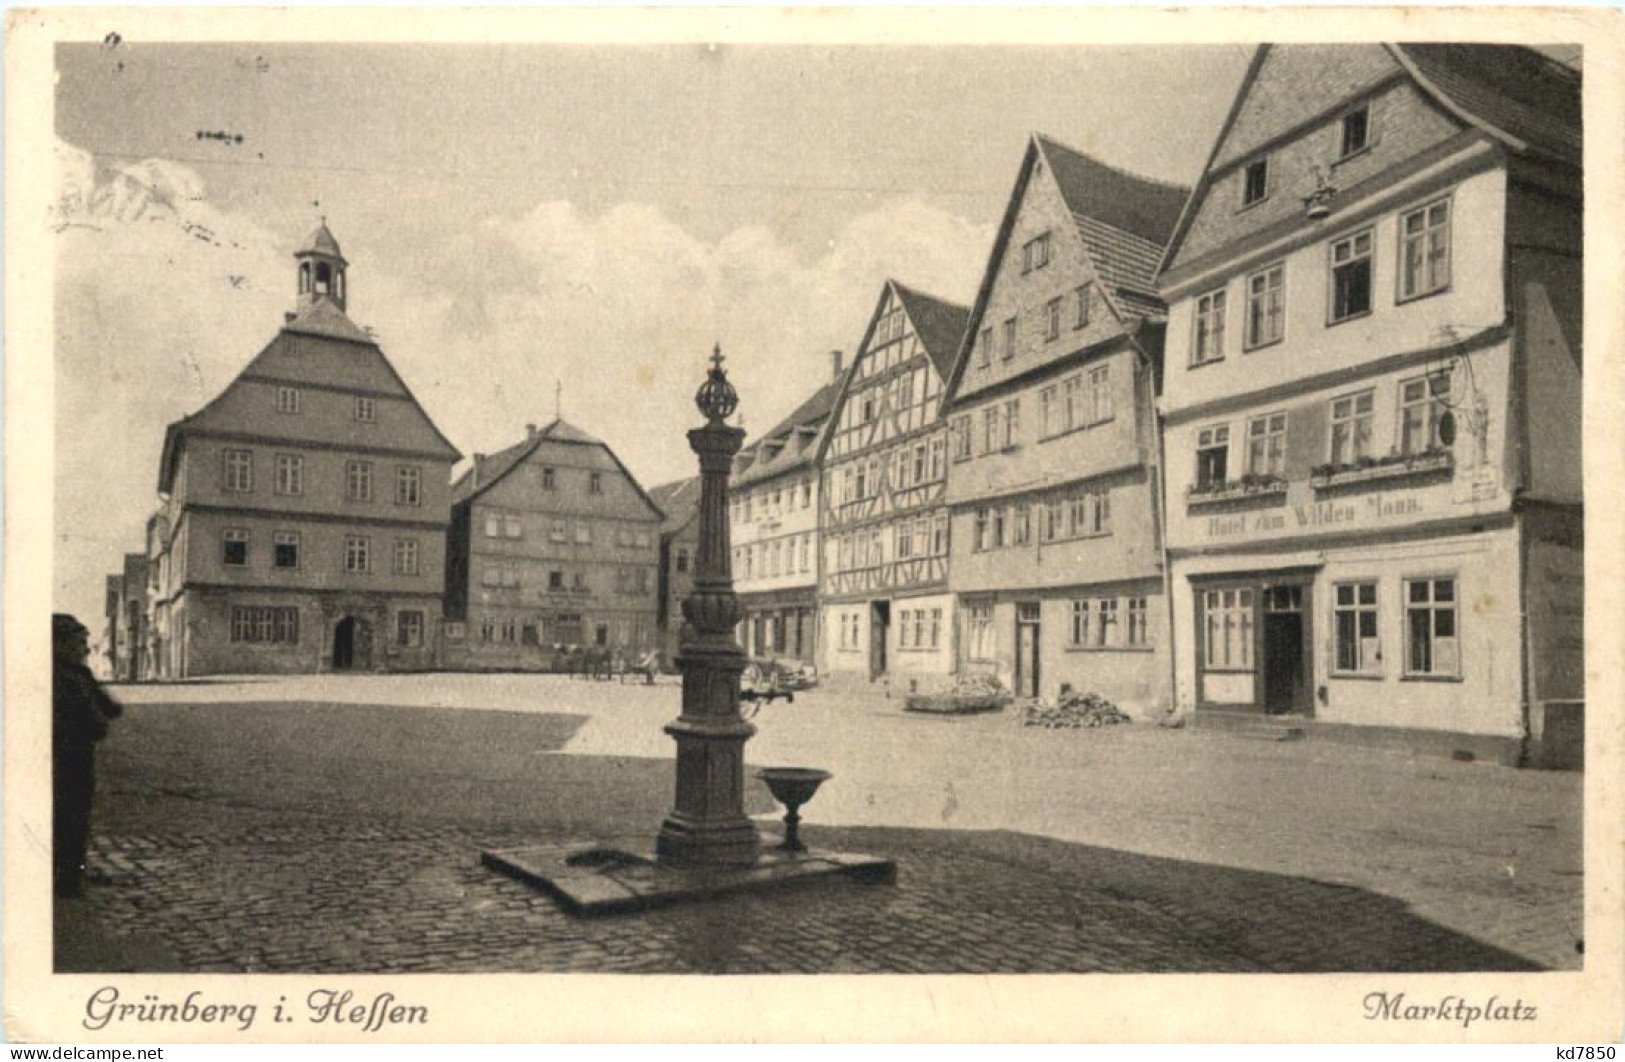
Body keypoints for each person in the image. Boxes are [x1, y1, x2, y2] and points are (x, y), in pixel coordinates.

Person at [52, 613, 121, 898]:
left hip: (74, 758)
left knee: (72, 818)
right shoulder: (66, 678)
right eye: (78, 642)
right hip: (67, 758)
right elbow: (99, 719)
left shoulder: (77, 674)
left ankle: (70, 874)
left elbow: (111, 708)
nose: (84, 649)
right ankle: (68, 882)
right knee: (71, 818)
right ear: (57, 644)